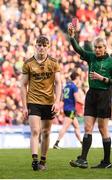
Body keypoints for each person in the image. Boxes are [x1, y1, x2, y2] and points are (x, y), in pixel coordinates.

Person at [67, 23, 112, 169]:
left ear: (105, 48)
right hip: (91, 94)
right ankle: (83, 159)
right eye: (96, 47)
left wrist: (102, 78)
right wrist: (72, 37)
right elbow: (78, 49)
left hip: (104, 95)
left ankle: (106, 161)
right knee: (87, 127)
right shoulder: (91, 57)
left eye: (100, 47)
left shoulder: (111, 62)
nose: (97, 50)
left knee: (103, 129)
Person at [20, 35, 62, 171]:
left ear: (48, 47)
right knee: (35, 130)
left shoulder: (54, 63)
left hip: (49, 102)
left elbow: (58, 83)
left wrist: (57, 101)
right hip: (33, 101)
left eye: (44, 45)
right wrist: (24, 106)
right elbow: (23, 85)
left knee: (46, 132)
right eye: (39, 45)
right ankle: (34, 160)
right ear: (35, 46)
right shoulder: (28, 63)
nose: (41, 48)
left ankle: (43, 161)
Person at [53, 71, 83, 149]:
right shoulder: (74, 87)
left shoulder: (66, 86)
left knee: (76, 126)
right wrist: (85, 102)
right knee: (65, 127)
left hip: (67, 108)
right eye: (79, 78)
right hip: (71, 109)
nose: (79, 80)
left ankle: (82, 143)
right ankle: (56, 143)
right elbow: (77, 99)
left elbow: (63, 98)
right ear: (76, 78)